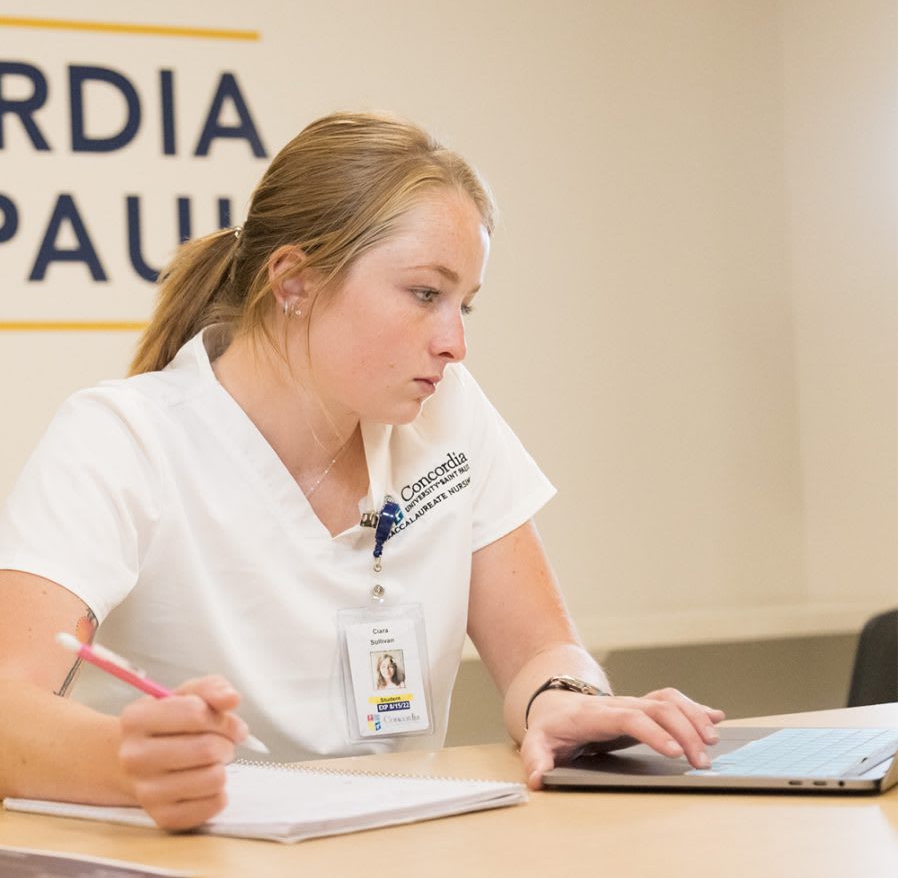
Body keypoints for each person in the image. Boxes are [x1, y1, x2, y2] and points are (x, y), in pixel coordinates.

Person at [0, 111, 724, 832]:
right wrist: (129, 761)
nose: (455, 345)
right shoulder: (124, 435)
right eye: (424, 295)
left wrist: (566, 700)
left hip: (392, 867)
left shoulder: (447, 417)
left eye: (464, 304)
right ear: (295, 281)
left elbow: (539, 647)